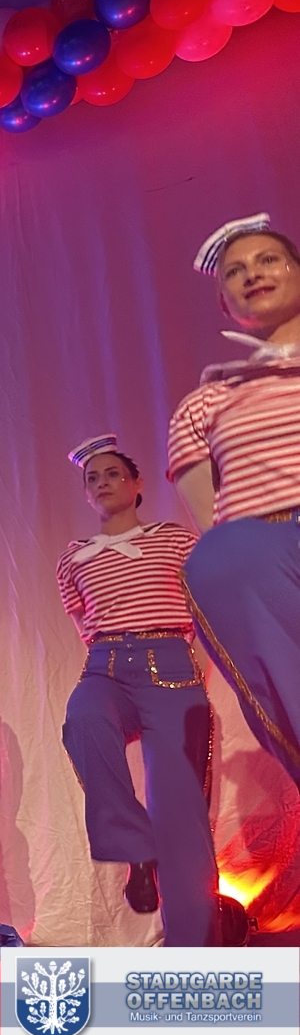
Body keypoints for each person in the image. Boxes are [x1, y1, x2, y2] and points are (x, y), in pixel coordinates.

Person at [58, 435, 217, 946]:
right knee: (84, 720)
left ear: (136, 483)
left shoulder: (175, 540)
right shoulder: (75, 557)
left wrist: (200, 667)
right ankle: (136, 847)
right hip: (106, 664)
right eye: (92, 478)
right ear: (86, 493)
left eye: (112, 473)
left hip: (169, 664)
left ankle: (193, 950)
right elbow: (83, 624)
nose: (102, 483)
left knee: (180, 813)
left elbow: (205, 606)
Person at [172, 214, 300, 789]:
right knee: (222, 556)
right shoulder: (204, 403)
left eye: (268, 259)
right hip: (265, 553)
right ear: (224, 303)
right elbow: (213, 525)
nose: (252, 274)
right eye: (234, 271)